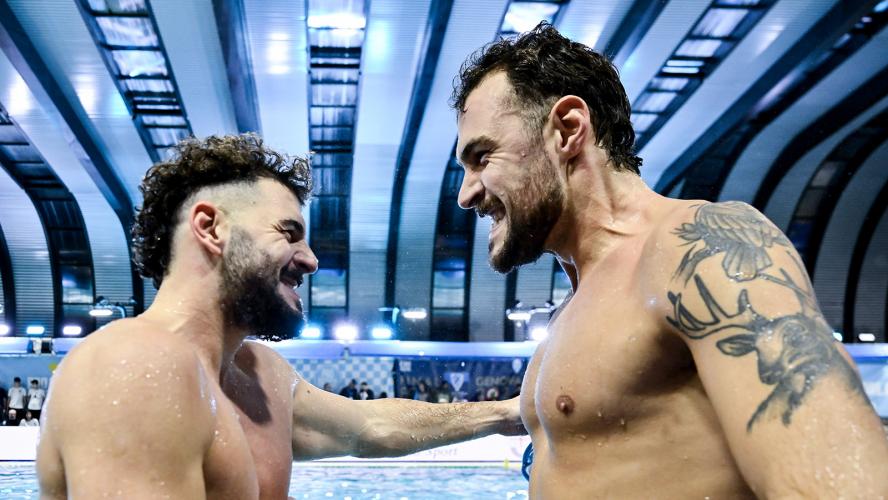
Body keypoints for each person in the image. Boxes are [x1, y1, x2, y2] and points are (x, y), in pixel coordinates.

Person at [452, 23, 888, 498]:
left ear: (568, 130)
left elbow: (844, 485)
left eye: (482, 157)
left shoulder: (699, 249)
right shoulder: (574, 308)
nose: (465, 195)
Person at [36, 134, 522, 498]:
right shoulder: (133, 363)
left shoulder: (260, 376)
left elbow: (371, 424)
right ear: (210, 228)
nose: (310, 260)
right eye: (289, 233)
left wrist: (507, 413)